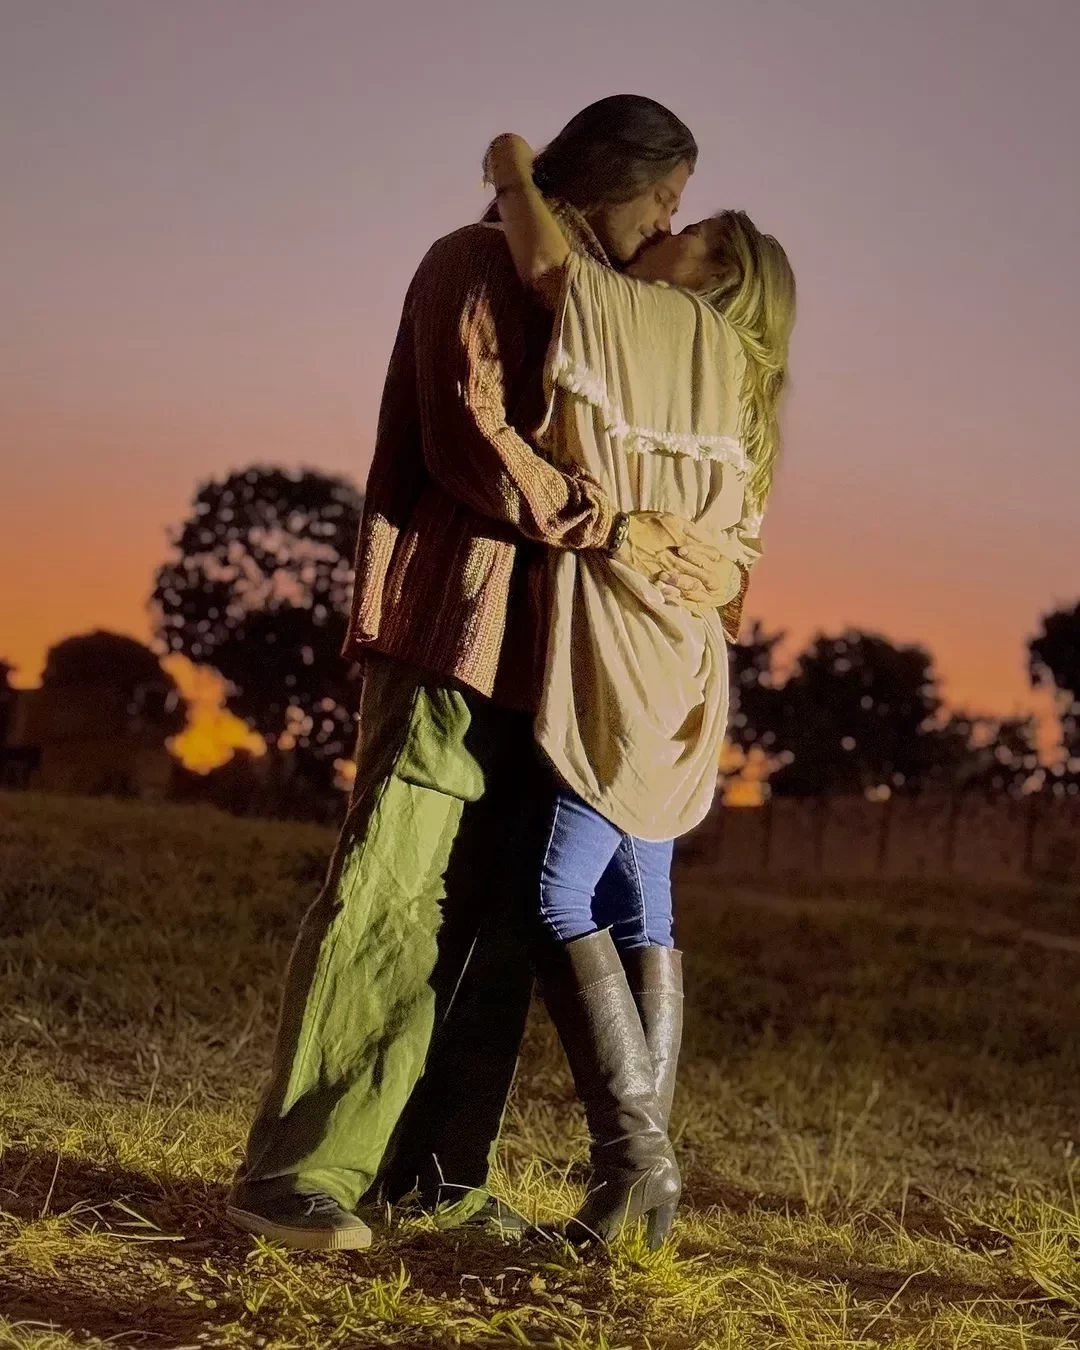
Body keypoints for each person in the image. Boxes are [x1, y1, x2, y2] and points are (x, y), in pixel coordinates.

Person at [225, 95, 744, 1252]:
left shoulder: (611, 315)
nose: (669, 223)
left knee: (500, 927)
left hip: (563, 671)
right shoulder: (469, 261)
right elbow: (472, 438)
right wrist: (616, 527)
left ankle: (434, 1182)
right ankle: (295, 1176)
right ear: (608, 174)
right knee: (391, 899)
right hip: (453, 636)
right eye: (663, 197)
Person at [483, 132, 795, 1246]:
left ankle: (635, 1167)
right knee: (643, 907)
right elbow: (737, 561)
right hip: (690, 661)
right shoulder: (747, 388)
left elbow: (547, 266)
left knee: (555, 897)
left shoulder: (668, 325)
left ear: (720, 277)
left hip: (623, 638)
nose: (667, 228)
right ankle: (642, 1202)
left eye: (691, 228)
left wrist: (510, 167)